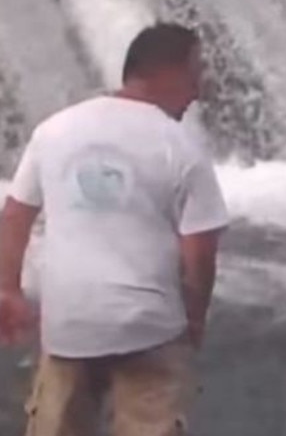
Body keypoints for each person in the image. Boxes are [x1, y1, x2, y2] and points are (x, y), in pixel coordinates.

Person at [0, 22, 229, 436]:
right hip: (150, 329)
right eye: (195, 74)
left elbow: (15, 214)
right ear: (166, 72)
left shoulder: (54, 130)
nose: (198, 91)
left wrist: (7, 289)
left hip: (69, 324)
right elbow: (200, 250)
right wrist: (194, 319)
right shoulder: (181, 144)